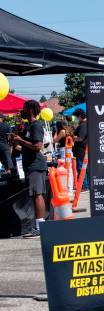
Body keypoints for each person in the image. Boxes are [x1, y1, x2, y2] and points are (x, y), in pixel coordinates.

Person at [10, 100, 48, 238]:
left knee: (38, 195)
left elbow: (38, 146)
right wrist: (17, 140)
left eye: (24, 108)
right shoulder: (29, 126)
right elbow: (27, 146)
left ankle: (40, 228)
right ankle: (38, 226)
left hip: (36, 166)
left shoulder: (36, 126)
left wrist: (20, 141)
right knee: (35, 195)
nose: (22, 110)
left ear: (31, 110)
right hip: (31, 166)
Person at [72, 109, 89, 190]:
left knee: (82, 168)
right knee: (83, 168)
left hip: (81, 151)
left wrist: (74, 138)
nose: (75, 119)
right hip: (81, 150)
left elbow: (80, 138)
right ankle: (84, 184)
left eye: (76, 117)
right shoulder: (85, 124)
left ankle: (84, 185)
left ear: (80, 116)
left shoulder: (83, 125)